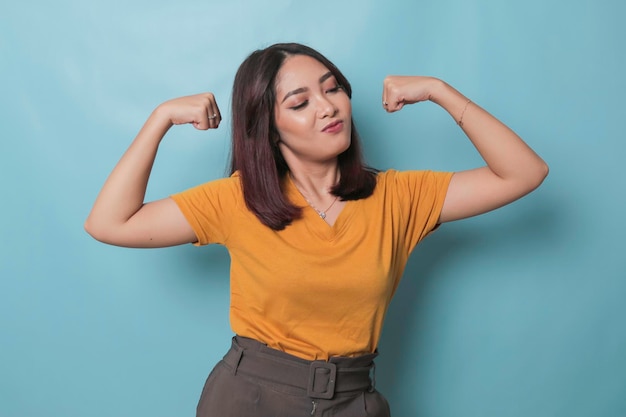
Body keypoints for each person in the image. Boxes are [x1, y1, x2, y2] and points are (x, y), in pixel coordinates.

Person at [84, 42, 548, 416]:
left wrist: (441, 91)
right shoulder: (236, 199)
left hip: (354, 399)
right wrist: (160, 119)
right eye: (301, 102)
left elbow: (524, 173)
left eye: (333, 90)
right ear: (270, 128)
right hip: (250, 400)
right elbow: (108, 222)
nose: (328, 108)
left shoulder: (400, 197)